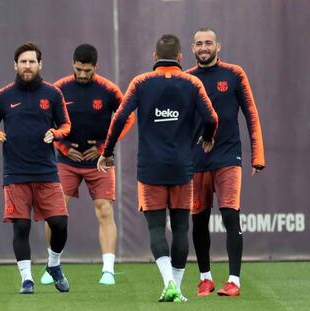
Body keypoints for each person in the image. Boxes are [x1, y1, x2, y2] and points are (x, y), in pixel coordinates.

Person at [97, 34, 218, 302]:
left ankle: (167, 284)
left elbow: (118, 118)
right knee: (181, 229)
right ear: (180, 58)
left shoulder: (141, 83)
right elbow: (211, 117)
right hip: (182, 168)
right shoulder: (192, 82)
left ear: (154, 57)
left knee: (155, 229)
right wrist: (208, 137)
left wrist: (107, 152)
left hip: (150, 168)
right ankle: (176, 287)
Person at [39, 44, 135, 286]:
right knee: (55, 213)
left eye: (87, 70)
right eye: (79, 69)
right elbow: (45, 120)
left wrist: (105, 147)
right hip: (65, 161)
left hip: (100, 162)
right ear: (73, 64)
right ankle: (52, 265)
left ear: (96, 67)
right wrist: (62, 145)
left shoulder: (108, 89)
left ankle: (108, 271)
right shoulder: (58, 89)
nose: (82, 74)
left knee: (104, 210)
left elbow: (128, 117)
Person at [186, 27, 265, 297]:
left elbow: (251, 113)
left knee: (231, 216)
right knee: (199, 221)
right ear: (192, 48)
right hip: (196, 160)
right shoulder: (187, 79)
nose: (204, 47)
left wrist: (258, 155)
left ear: (218, 46)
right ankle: (205, 278)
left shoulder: (234, 74)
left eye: (208, 43)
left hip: (228, 155)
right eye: (199, 44)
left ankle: (234, 281)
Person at [0, 42, 71, 294]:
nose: (27, 66)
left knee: (59, 223)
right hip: (15, 172)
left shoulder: (52, 94)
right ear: (15, 65)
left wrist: (56, 133)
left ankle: (54, 265)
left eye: (32, 61)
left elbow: (65, 126)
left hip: (46, 171)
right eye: (23, 61)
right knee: (22, 226)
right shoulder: (4, 96)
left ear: (40, 64)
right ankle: (27, 279)